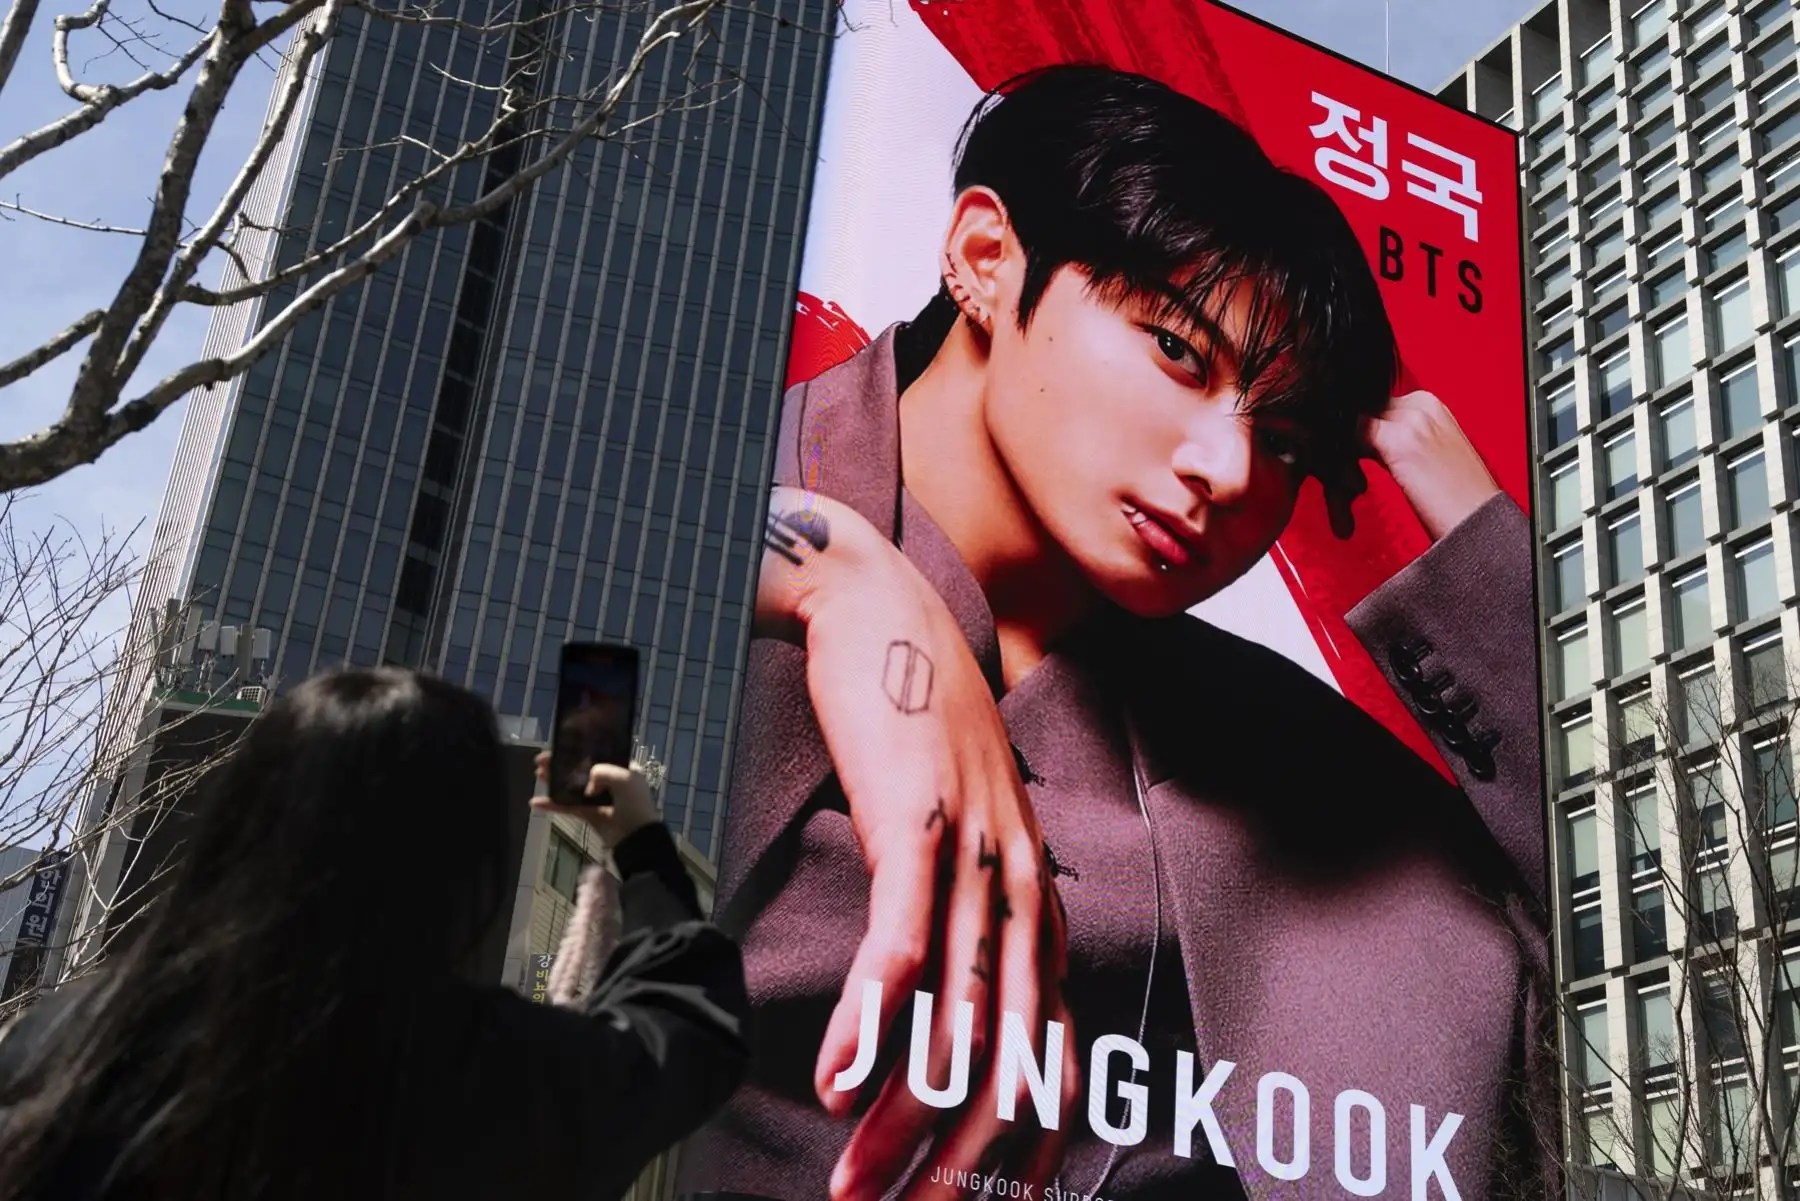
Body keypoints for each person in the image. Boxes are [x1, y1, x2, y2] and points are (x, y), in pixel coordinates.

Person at [678, 66, 1553, 1201]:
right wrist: (827, 561)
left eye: (1284, 438)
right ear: (988, 260)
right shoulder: (710, 499)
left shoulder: (1292, 770)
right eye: (1179, 351)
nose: (1229, 471)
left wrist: (1477, 553)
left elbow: (1602, 961)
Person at [0, 667, 748, 1201]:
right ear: (460, 867)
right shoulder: (490, 1077)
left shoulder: (67, 1042)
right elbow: (680, 1029)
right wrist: (642, 846)